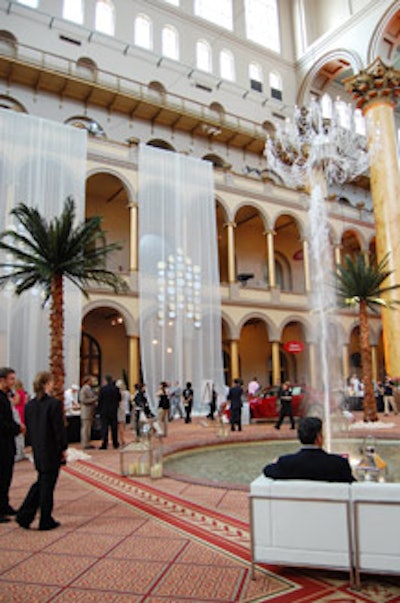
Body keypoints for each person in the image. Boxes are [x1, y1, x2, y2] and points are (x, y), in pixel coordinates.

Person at [16, 371, 68, 530]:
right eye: (51, 382)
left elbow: (30, 429)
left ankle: (25, 515)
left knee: (42, 482)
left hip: (38, 449)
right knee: (47, 485)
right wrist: (63, 448)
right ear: (46, 384)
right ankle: (44, 519)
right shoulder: (54, 404)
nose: (54, 385)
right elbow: (58, 430)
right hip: (51, 449)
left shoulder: (30, 405)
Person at [263, 416, 355, 483]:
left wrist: (276, 462)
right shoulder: (339, 464)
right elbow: (353, 484)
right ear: (319, 438)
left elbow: (267, 470)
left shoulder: (286, 463)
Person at [0, 367, 26, 523]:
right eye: (11, 379)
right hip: (2, 444)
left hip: (7, 443)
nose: (13, 382)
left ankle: (4, 505)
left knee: (6, 476)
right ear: (2, 380)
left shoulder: (5, 396)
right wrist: (18, 428)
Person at [97, 375, 121, 450]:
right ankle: (115, 443)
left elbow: (100, 400)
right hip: (113, 410)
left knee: (104, 427)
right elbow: (119, 398)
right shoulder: (116, 389)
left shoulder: (102, 389)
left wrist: (99, 410)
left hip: (104, 411)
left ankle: (104, 443)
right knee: (114, 427)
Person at [79, 375, 97, 450]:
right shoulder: (84, 389)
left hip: (90, 412)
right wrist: (94, 399)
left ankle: (87, 442)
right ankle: (85, 443)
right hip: (86, 411)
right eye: (91, 380)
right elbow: (83, 400)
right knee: (85, 428)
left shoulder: (89, 389)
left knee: (88, 428)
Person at [12, 380, 28, 462]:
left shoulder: (18, 393)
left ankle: (19, 452)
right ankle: (22, 451)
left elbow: (16, 402)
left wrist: (11, 401)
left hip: (19, 411)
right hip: (23, 410)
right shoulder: (23, 393)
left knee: (19, 432)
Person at [116, 379, 131, 446]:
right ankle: (121, 439)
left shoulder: (119, 393)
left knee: (119, 425)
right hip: (125, 409)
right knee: (122, 425)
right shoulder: (127, 392)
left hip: (120, 409)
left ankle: (121, 439)